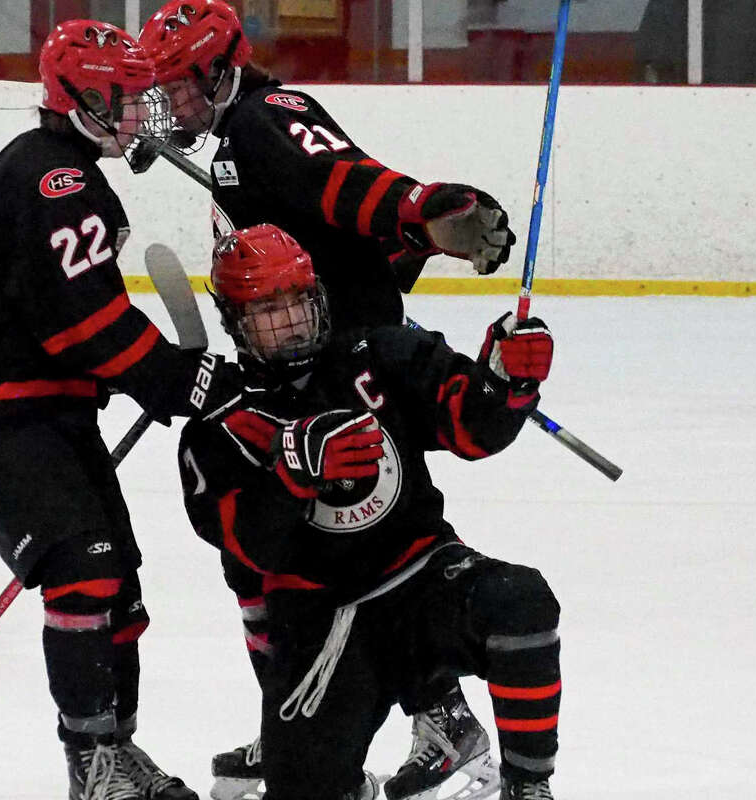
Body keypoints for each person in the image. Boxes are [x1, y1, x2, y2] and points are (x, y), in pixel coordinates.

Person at [139, 3, 513, 797]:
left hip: (337, 368)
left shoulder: (267, 114)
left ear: (221, 67)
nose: (170, 103)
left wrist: (419, 210)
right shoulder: (239, 136)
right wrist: (404, 241)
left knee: (355, 551)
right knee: (263, 557)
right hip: (295, 359)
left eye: (179, 85)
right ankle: (296, 717)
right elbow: (342, 233)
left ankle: (440, 719)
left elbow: (341, 184)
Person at [0, 20, 239, 800]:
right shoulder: (53, 177)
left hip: (42, 404)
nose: (138, 114)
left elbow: (76, 321)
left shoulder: (63, 169)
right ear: (77, 98)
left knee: (118, 589)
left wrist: (159, 376)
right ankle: (92, 766)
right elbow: (84, 323)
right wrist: (176, 379)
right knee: (86, 573)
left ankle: (114, 753)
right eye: (122, 100)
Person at [177, 224, 563, 800]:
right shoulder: (222, 427)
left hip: (422, 578)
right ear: (235, 322)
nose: (289, 321)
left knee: (519, 597)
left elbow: (472, 428)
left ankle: (528, 787)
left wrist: (506, 383)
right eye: (267, 309)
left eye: (297, 301)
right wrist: (292, 477)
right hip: (322, 620)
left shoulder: (376, 355)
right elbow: (251, 548)